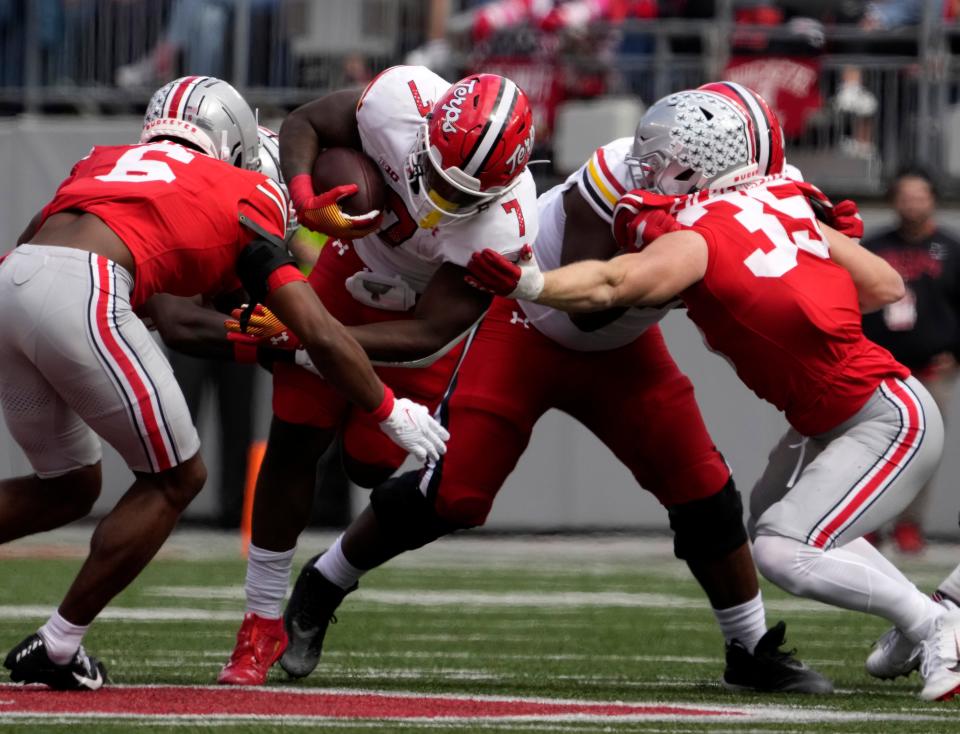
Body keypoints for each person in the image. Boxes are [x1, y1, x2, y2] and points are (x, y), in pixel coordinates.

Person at [259, 82, 833, 695]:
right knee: (453, 495)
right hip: (527, 323)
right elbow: (591, 306)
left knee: (702, 487)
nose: (653, 168)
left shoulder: (760, 197)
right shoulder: (618, 171)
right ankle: (325, 581)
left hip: (623, 352)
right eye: (659, 155)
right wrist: (685, 257)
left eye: (674, 162)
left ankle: (748, 646)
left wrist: (823, 245)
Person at [463, 82, 960, 703]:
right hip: (835, 412)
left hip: (880, 416)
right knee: (776, 510)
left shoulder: (694, 235)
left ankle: (935, 622)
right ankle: (925, 616)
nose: (645, 171)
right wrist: (819, 246)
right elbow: (884, 286)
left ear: (700, 162)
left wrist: (533, 283)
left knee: (782, 549)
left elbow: (614, 284)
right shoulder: (788, 202)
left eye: (661, 159)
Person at [0, 75, 446, 691]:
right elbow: (310, 327)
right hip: (87, 294)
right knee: (177, 479)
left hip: (12, 285)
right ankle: (57, 646)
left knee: (68, 487)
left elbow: (47, 253)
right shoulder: (244, 190)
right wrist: (387, 407)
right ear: (234, 139)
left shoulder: (101, 162)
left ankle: (58, 644)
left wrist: (263, 338)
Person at [216, 66, 540, 686]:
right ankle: (259, 624)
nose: (437, 203)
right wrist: (307, 196)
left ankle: (325, 566)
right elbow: (305, 122)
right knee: (295, 439)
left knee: (369, 463)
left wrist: (304, 338)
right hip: (347, 269)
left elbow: (428, 331)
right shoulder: (400, 101)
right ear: (426, 131)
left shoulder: (507, 226)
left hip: (414, 321)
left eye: (461, 197)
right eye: (437, 178)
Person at [861, 167, 960, 553]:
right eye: (905, 195)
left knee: (923, 453)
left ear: (932, 199)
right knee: (870, 448)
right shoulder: (873, 247)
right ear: (893, 200)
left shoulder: (951, 250)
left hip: (932, 370)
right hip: (879, 369)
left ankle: (909, 526)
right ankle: (867, 523)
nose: (912, 203)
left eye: (919, 196)